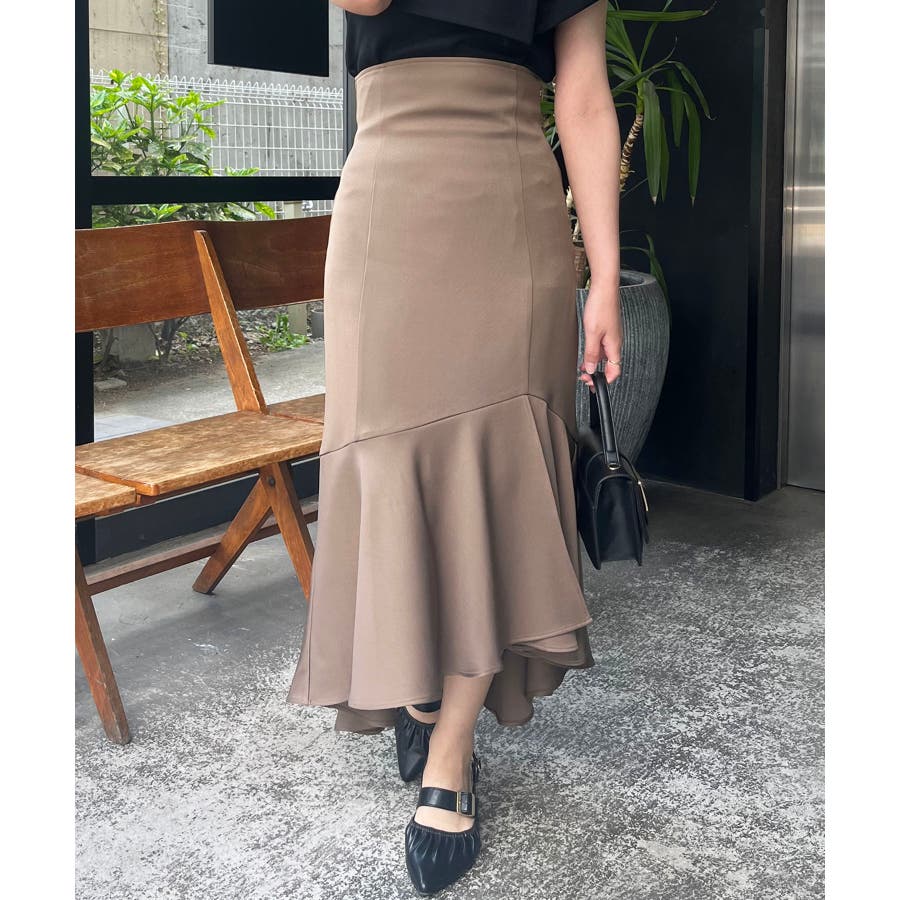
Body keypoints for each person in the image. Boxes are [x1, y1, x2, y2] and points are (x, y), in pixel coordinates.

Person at [288, 1, 622, 893]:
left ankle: (452, 745)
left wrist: (604, 277)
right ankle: (416, 678)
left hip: (511, 203)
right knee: (389, 458)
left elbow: (585, 100)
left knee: (496, 471)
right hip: (389, 197)